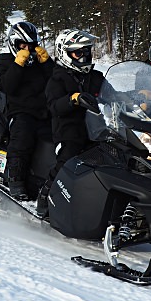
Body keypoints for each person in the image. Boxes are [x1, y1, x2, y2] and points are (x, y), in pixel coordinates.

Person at [42, 29, 105, 213]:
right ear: (65, 53)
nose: (84, 57)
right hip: (68, 130)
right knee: (67, 159)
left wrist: (136, 98)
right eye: (79, 53)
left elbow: (111, 94)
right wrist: (72, 99)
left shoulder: (95, 77)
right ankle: (45, 198)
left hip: (95, 130)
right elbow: (53, 106)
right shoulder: (57, 78)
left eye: (87, 52)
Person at [0, 21, 54, 200]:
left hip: (45, 112)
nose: (27, 49)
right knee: (23, 138)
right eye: (23, 45)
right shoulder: (5, 61)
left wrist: (47, 63)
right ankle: (16, 181)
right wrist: (18, 63)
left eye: (31, 45)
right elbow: (6, 85)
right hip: (20, 112)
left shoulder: (39, 63)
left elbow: (56, 82)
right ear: (14, 44)